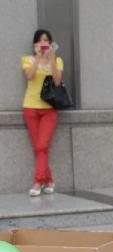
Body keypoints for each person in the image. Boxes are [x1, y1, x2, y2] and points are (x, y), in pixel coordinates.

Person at [22, 29, 63, 197]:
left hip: (49, 109)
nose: (43, 43)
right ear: (34, 44)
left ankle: (38, 182)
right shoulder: (27, 59)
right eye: (40, 41)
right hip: (30, 107)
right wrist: (38, 58)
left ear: (51, 43)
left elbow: (58, 81)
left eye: (46, 40)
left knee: (42, 146)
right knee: (39, 148)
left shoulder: (58, 60)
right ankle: (49, 180)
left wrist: (51, 59)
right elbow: (30, 76)